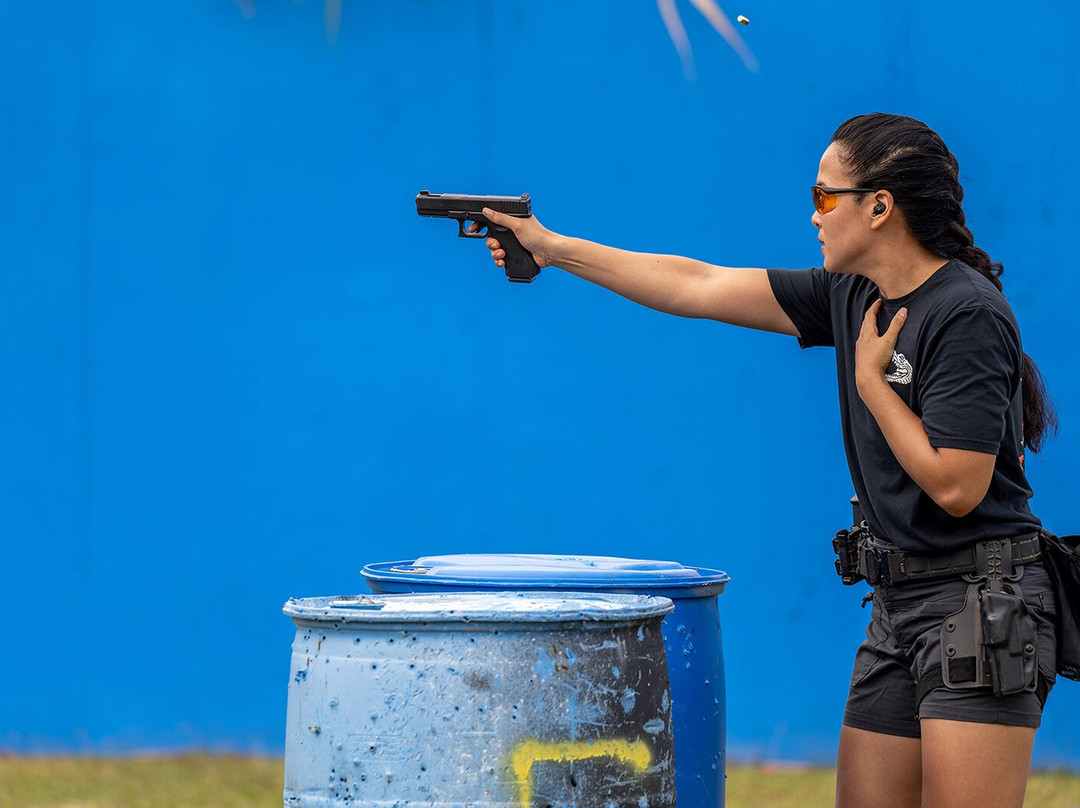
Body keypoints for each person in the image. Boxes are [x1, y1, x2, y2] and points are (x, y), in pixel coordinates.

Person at [474, 112, 1058, 808]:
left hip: (978, 604)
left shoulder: (966, 313)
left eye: (823, 196)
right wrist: (552, 248)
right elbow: (695, 285)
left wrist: (873, 385)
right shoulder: (853, 294)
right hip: (898, 606)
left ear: (879, 206)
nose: (813, 215)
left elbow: (959, 487)